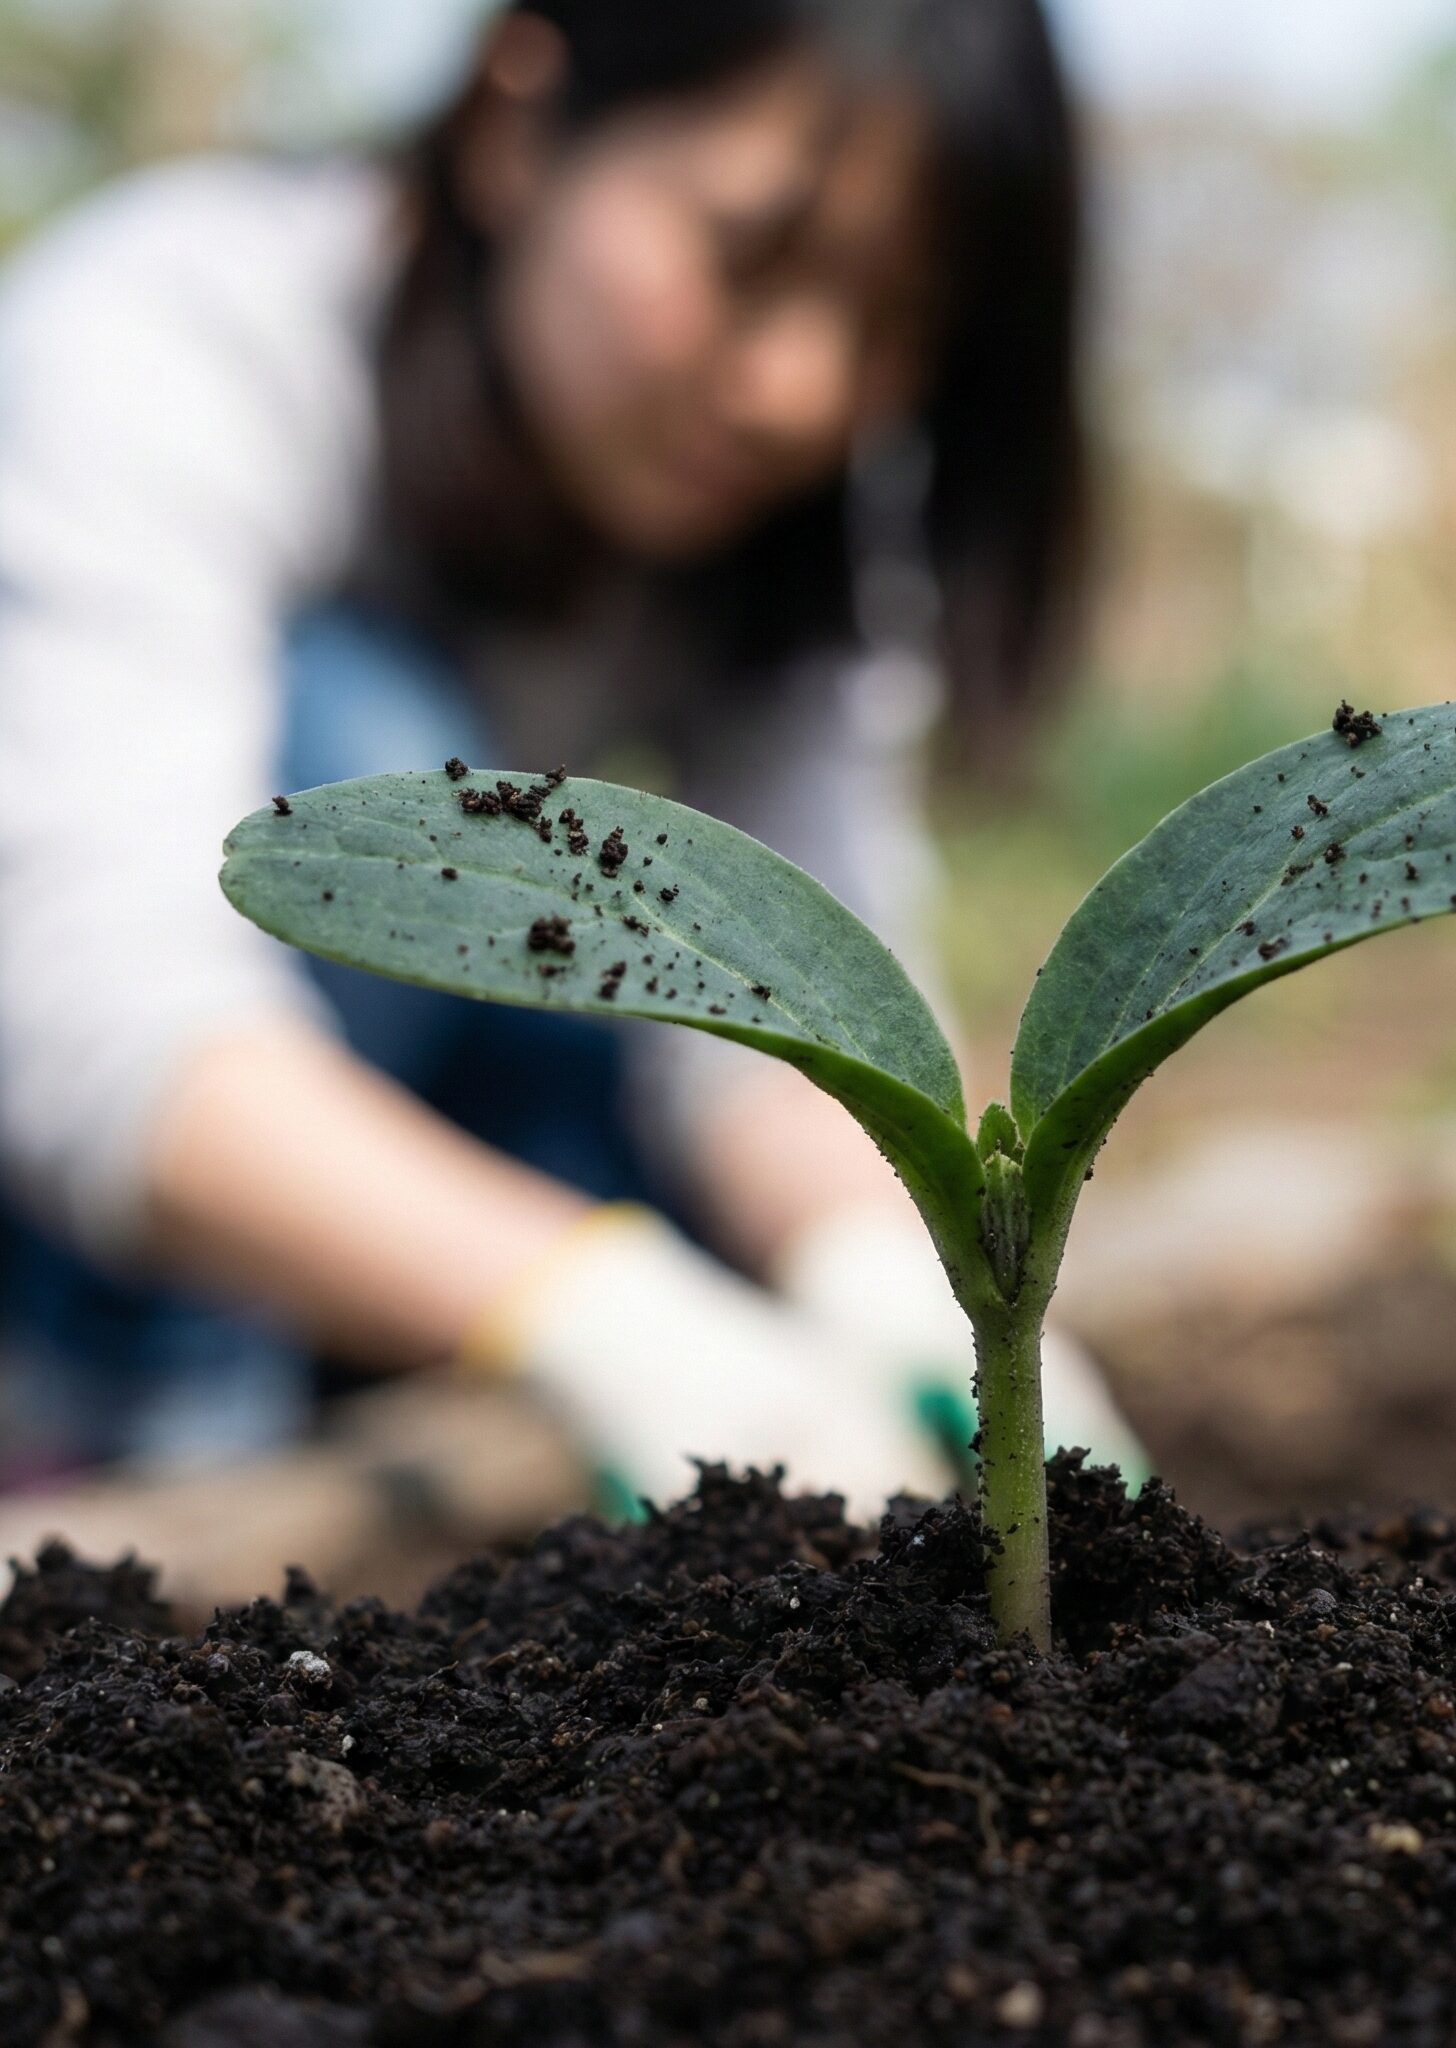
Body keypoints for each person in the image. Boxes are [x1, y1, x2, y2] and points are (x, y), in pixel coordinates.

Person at [0, 0, 1144, 1513]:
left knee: (616, 963)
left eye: (895, 320)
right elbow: (92, 1011)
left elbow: (794, 987)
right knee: (375, 772)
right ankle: (127, 1426)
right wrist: (589, 1306)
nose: (802, 387)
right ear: (515, 124)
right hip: (69, 1189)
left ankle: (377, 1374)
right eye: (749, 256)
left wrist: (884, 1258)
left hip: (409, 1132)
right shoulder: (173, 334)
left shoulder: (794, 537)